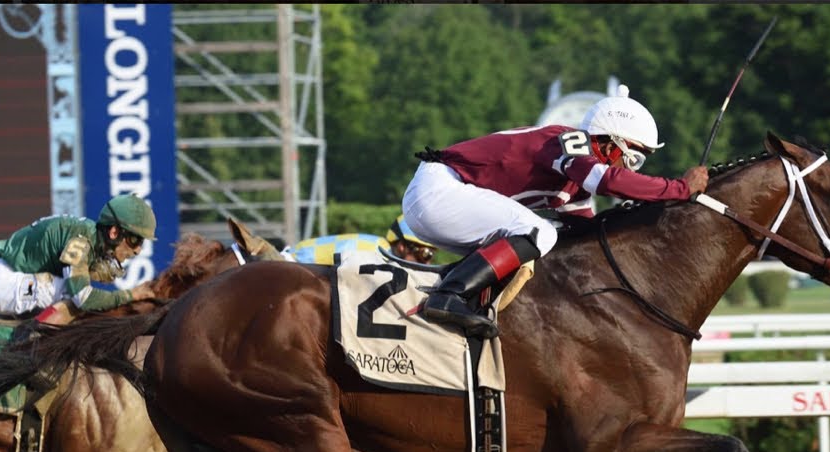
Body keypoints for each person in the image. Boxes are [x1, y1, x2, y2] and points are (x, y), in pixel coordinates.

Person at [401, 85, 709, 339]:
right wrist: (678, 188)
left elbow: (588, 231)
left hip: (442, 201)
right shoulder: (568, 141)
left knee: (537, 240)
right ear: (611, 144)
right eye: (633, 160)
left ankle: (461, 298)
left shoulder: (575, 187)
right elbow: (605, 180)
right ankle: (449, 297)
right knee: (540, 232)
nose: (628, 168)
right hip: (438, 191)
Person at [0, 193, 157, 322]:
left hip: (6, 279)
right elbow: (83, 299)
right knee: (73, 294)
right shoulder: (81, 240)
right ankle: (29, 353)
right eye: (134, 239)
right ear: (114, 232)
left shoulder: (89, 237)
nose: (138, 250)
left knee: (70, 291)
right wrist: (130, 295)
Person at [286, 214, 437, 265]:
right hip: (290, 263)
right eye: (424, 254)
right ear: (402, 246)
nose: (428, 262)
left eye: (431, 254)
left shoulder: (383, 252)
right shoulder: (374, 254)